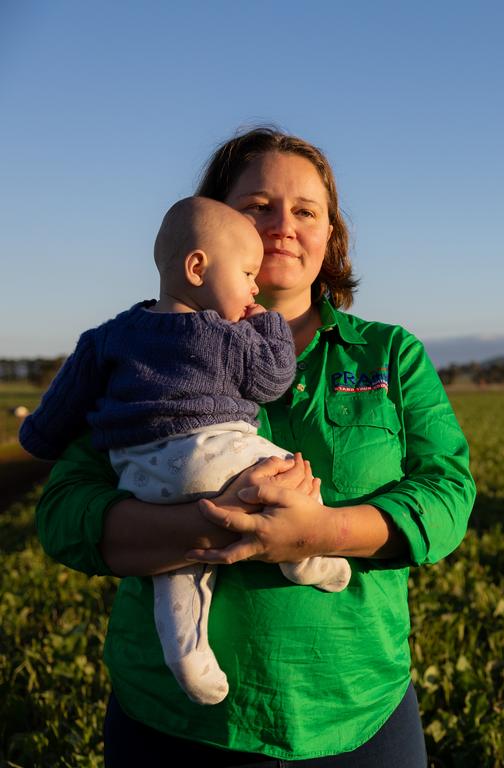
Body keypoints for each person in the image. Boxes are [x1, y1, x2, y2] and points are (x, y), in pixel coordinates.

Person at [34, 127, 476, 766]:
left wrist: (321, 532)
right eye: (258, 206)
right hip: (172, 721)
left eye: (306, 211)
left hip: (355, 707)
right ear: (207, 232)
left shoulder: (390, 353)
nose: (284, 225)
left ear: (331, 234)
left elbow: (447, 493)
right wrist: (204, 527)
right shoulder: (135, 354)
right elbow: (64, 514)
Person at [20, 196, 352, 706]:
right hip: (213, 455)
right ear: (198, 268)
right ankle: (307, 555)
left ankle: (188, 655)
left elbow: (57, 414)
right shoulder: (223, 333)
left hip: (140, 478)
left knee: (178, 566)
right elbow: (272, 380)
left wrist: (34, 438)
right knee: (283, 471)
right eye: (245, 273)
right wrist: (264, 325)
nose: (253, 286)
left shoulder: (106, 338)